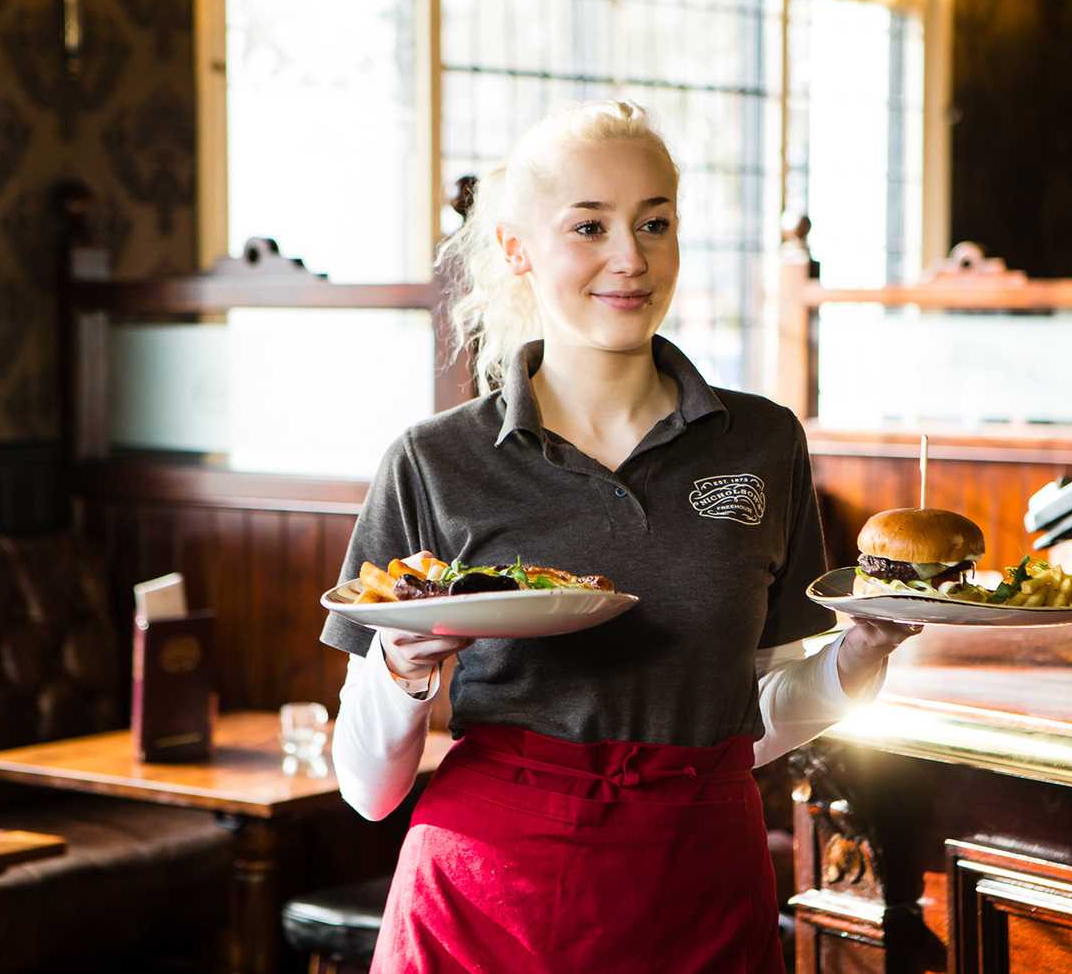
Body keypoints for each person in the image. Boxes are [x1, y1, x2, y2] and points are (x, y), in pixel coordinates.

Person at [319, 99, 919, 973]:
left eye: (654, 223)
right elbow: (368, 791)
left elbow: (750, 715)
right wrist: (405, 668)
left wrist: (863, 652)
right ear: (519, 251)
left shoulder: (762, 442)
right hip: (489, 899)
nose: (630, 259)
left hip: (701, 884)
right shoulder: (435, 460)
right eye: (589, 227)